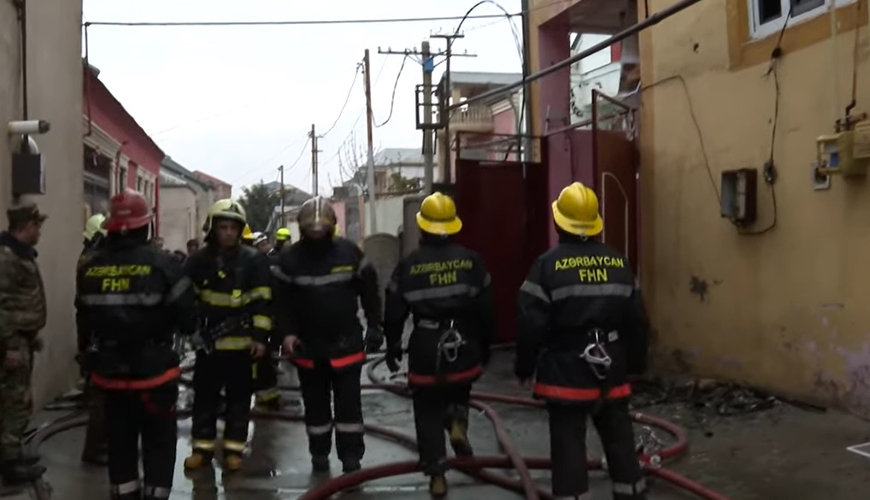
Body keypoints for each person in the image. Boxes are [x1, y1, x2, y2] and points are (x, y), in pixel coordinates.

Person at [515, 182, 649, 500]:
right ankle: (631, 492)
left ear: (559, 222)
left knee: (568, 445)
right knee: (620, 442)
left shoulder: (546, 266)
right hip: (612, 367)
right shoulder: (619, 264)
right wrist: (635, 366)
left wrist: (524, 367)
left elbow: (530, 324)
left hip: (565, 370)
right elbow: (638, 321)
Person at [75, 190, 196, 500]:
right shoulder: (165, 265)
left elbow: (84, 320)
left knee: (120, 444)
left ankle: (124, 494)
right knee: (158, 443)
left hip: (110, 374)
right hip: (154, 374)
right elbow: (188, 320)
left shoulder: (90, 268)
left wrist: (90, 359)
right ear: (147, 226)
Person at [383, 192, 494, 497]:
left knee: (428, 410)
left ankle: (437, 476)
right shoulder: (472, 261)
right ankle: (458, 424)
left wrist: (392, 345)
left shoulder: (408, 265)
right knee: (460, 388)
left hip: (426, 344)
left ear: (422, 227)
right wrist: (485, 346)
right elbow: (486, 308)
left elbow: (393, 311)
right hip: (464, 342)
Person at [273, 196, 383, 474]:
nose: (317, 234)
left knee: (349, 408)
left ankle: (351, 458)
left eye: (322, 229)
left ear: (332, 227)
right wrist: (285, 335)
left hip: (346, 344)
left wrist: (375, 325)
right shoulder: (290, 260)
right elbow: (280, 304)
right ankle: (319, 455)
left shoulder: (350, 254)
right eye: (312, 230)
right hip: (307, 348)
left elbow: (370, 292)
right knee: (316, 408)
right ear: (302, 228)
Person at [183, 200, 273, 472]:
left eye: (234, 227)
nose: (229, 233)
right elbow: (185, 299)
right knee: (204, 399)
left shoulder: (254, 260)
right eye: (223, 227)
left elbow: (262, 300)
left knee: (239, 399)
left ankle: (234, 450)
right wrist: (192, 330)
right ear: (212, 228)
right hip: (208, 345)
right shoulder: (197, 261)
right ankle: (202, 449)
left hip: (241, 344)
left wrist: (259, 337)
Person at [0, 202, 48, 490]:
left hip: (22, 338)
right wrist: (10, 346)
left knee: (19, 400)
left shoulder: (22, 255)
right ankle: (9, 465)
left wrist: (31, 334)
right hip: (11, 341)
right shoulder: (6, 258)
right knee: (14, 402)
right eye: (36, 225)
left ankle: (14, 455)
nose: (39, 230)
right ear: (24, 227)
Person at [78, 213, 110, 466]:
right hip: (95, 332)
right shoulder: (91, 262)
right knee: (100, 395)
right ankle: (95, 448)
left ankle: (101, 444)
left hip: (92, 329)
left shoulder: (91, 259)